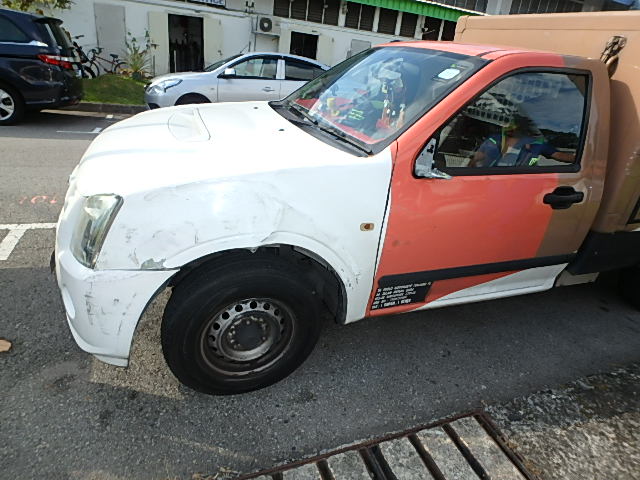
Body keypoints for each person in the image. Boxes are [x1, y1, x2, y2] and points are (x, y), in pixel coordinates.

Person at [472, 117, 575, 167]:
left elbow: (559, 155)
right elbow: (475, 161)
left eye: (515, 126)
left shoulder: (536, 144)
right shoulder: (494, 140)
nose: (510, 128)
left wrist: (581, 159)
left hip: (520, 184)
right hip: (490, 183)